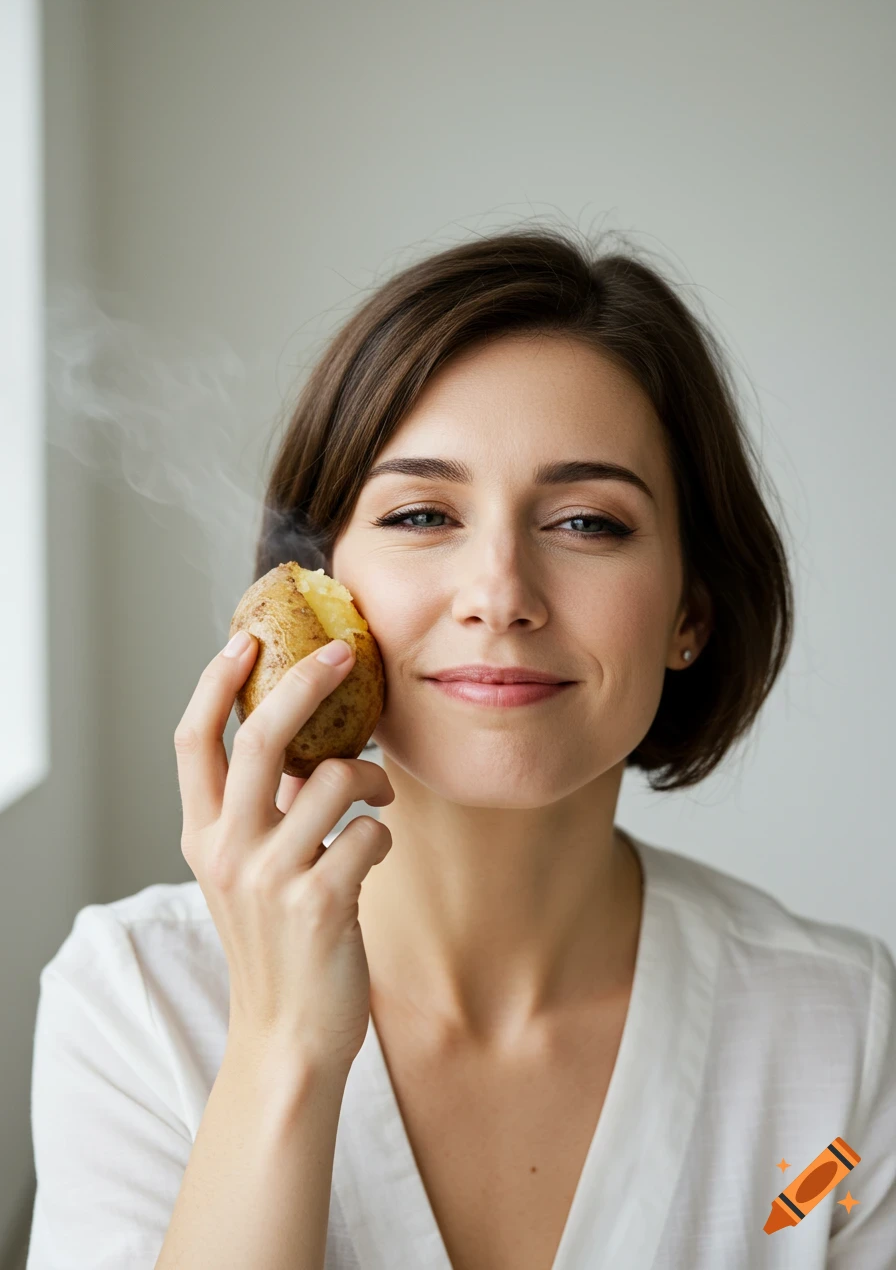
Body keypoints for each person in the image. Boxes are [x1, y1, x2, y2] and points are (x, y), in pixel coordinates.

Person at [27, 226, 896, 1269]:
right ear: (322, 591)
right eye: (423, 511)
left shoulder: (840, 1033)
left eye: (585, 523)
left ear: (689, 612)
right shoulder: (135, 1002)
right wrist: (279, 1046)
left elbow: (785, 1217)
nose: (498, 594)